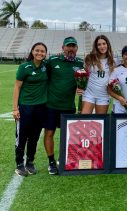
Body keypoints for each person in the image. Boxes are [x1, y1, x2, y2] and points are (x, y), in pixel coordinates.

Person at [44, 37, 84, 175]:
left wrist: (81, 89)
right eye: (68, 46)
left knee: (68, 136)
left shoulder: (80, 63)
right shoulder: (53, 60)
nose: (71, 49)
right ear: (63, 48)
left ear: (77, 49)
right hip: (51, 105)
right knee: (49, 133)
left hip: (69, 106)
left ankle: (64, 159)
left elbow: (84, 81)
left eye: (73, 46)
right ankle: (51, 162)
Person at [12, 42, 48, 176]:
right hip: (25, 107)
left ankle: (30, 162)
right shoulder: (24, 67)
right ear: (32, 51)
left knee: (34, 137)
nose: (40, 53)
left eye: (42, 51)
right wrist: (15, 108)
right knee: (21, 136)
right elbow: (17, 88)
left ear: (45, 54)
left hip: (41, 108)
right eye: (37, 50)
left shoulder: (46, 67)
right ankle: (19, 164)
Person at [81, 35, 118, 114]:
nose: (102, 46)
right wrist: (80, 87)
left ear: (107, 44)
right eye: (99, 44)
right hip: (89, 94)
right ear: (96, 46)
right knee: (84, 120)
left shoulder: (113, 60)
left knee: (100, 123)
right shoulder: (89, 58)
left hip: (103, 95)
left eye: (104, 44)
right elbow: (83, 75)